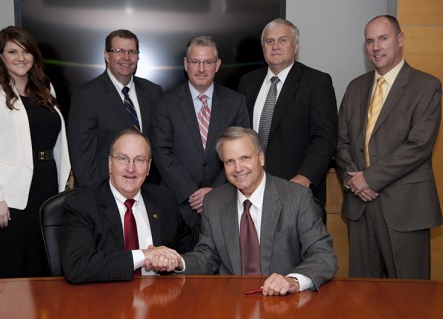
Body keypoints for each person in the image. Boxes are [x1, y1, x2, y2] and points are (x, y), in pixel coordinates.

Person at [147, 127, 337, 295]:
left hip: (284, 303)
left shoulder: (296, 197)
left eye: (245, 158)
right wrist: (178, 261)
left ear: (261, 158)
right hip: (231, 303)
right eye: (230, 161)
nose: (238, 168)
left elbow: (323, 255)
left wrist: (293, 281)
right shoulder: (214, 202)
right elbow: (207, 257)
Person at [335, 15, 442, 279]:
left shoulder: (426, 86)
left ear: (401, 39)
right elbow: (342, 143)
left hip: (405, 207)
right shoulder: (356, 87)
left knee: (409, 296)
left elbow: (418, 146)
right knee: (362, 295)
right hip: (361, 206)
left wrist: (369, 179)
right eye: (369, 41)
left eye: (383, 39)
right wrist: (356, 183)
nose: (376, 47)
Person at [0, 26, 71, 279]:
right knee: (11, 267)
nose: (21, 57)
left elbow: (57, 141)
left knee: (43, 263)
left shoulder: (45, 89)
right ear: (1, 56)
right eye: (12, 51)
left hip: (46, 186)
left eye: (26, 51)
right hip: (10, 196)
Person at [151, 35, 250, 246]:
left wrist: (214, 193)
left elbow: (243, 151)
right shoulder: (165, 102)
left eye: (208, 62)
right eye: (195, 62)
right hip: (178, 206)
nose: (201, 68)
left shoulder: (236, 102)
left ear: (218, 65)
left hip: (224, 202)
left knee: (221, 274)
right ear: (186, 64)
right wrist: (192, 194)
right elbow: (161, 151)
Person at [59, 129, 192, 283]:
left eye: (139, 160)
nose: (131, 168)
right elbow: (77, 266)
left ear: (149, 167)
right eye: (123, 159)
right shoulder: (82, 205)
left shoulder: (164, 200)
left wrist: (175, 261)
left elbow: (187, 251)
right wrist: (144, 255)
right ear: (110, 163)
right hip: (105, 301)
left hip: (158, 299)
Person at [238, 18, 337, 209]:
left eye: (283, 40)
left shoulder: (317, 82)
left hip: (297, 189)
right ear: (263, 47)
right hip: (252, 190)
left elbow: (325, 137)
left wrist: (305, 176)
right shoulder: (247, 82)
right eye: (269, 41)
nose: (275, 46)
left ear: (296, 46)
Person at [68, 29, 162, 188]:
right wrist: (98, 199)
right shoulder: (86, 95)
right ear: (106, 55)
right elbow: (82, 157)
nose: (126, 57)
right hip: (104, 192)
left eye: (132, 52)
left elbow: (159, 146)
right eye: (119, 51)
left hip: (147, 191)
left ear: (138, 57)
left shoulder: (153, 92)